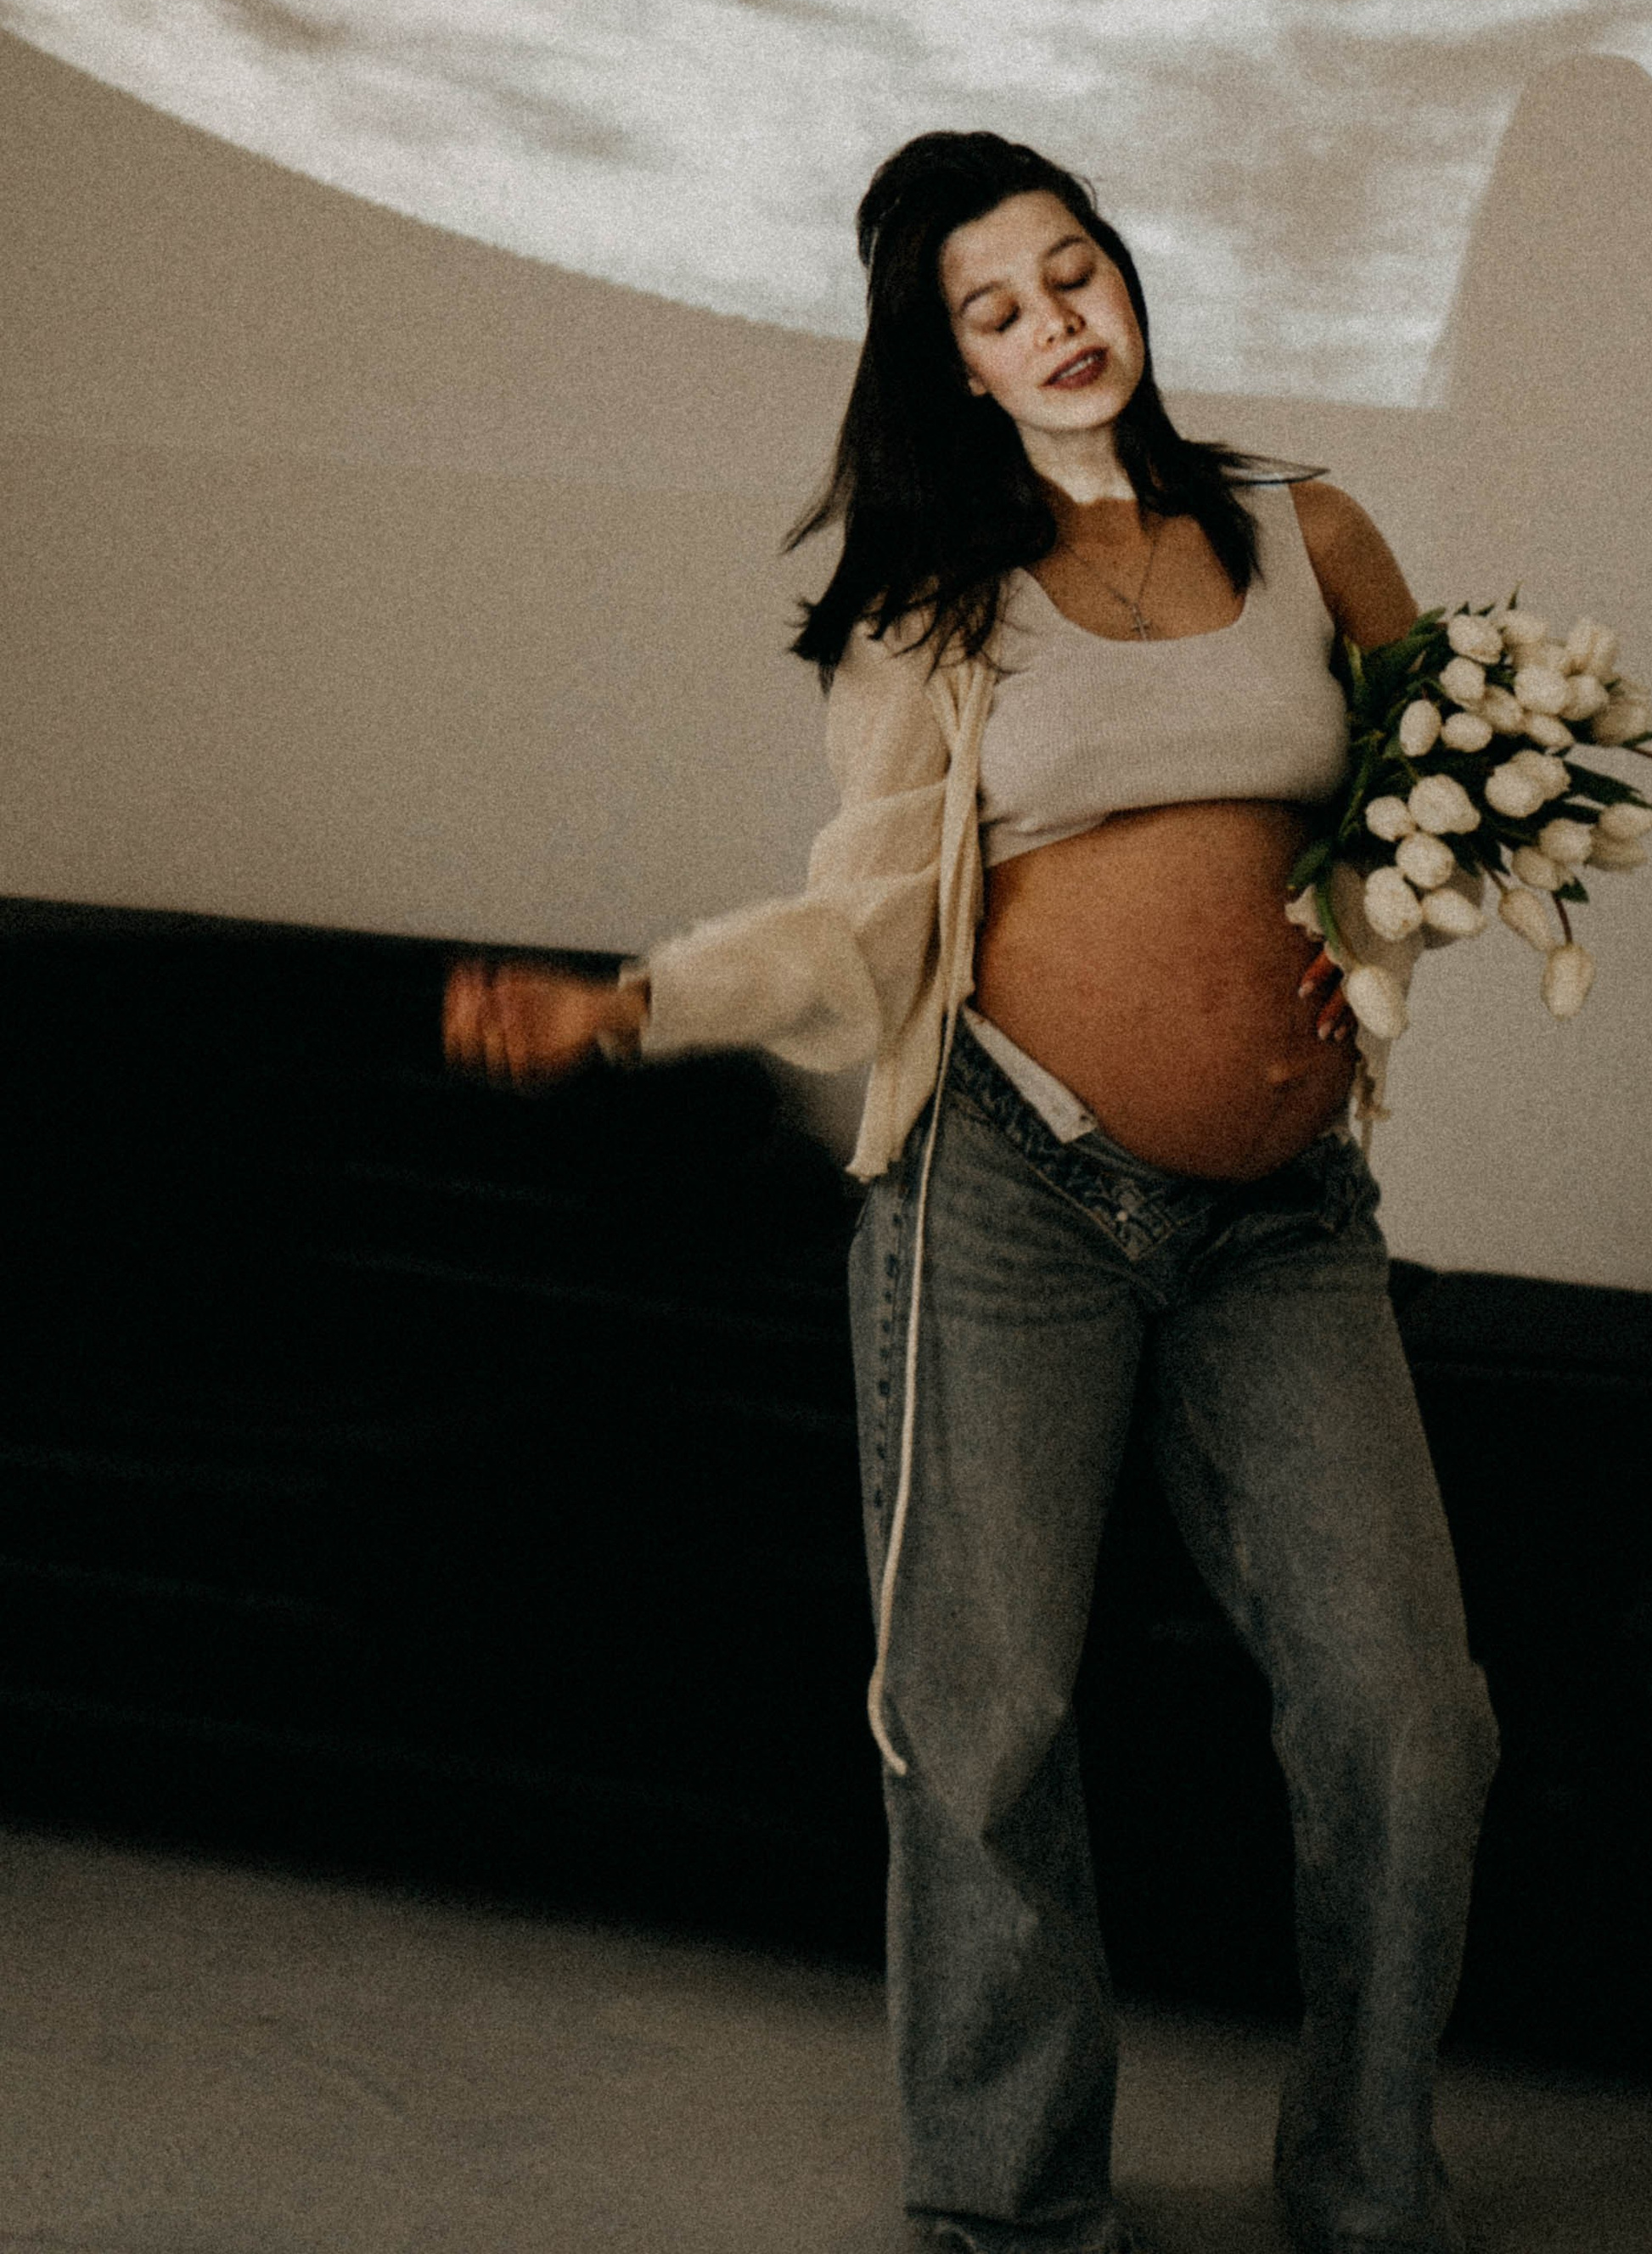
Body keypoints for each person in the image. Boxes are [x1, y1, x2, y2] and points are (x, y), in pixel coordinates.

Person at [444, 130, 1500, 2254]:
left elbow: (1437, 816)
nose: (1056, 323)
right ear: (948, 364)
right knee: (983, 1721)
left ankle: (1366, 2179)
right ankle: (1010, 2212)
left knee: (1408, 1713)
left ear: (1127, 275)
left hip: (1279, 1220)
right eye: (994, 307)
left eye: (1074, 269)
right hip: (1005, 1195)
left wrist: (1382, 936)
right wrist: (639, 1002)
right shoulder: (932, 604)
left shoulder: (1310, 532)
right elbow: (863, 928)